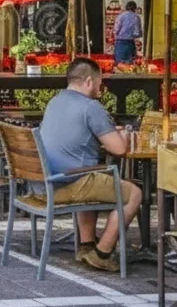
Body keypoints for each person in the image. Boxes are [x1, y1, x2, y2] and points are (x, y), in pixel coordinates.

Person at [39, 57, 142, 273]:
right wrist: (124, 134)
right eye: (99, 83)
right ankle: (102, 253)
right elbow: (118, 149)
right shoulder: (91, 107)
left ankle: (86, 245)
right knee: (134, 194)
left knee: (92, 174)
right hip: (69, 183)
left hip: (44, 182)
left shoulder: (55, 101)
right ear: (88, 81)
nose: (100, 88)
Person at [113, 0, 142, 64]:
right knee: (130, 63)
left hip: (120, 42)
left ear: (126, 7)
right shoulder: (137, 17)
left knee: (119, 62)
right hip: (130, 42)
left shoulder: (120, 16)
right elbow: (137, 33)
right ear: (135, 8)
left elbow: (116, 29)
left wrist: (117, 34)